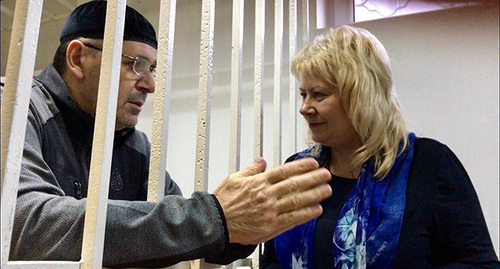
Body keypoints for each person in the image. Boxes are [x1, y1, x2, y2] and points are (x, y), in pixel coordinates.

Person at [9, 1, 333, 268]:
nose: (149, 84)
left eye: (152, 69)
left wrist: (237, 231)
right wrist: (214, 219)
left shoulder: (133, 144)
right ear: (78, 58)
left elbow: (178, 227)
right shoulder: (17, 109)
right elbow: (21, 224)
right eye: (136, 64)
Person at [260, 25, 500, 268]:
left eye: (318, 95)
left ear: (360, 96)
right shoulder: (297, 171)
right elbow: (272, 262)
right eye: (303, 95)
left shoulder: (430, 165)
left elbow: (479, 264)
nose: (305, 108)